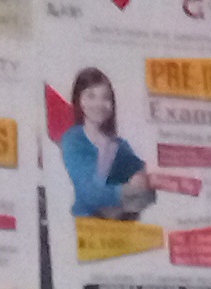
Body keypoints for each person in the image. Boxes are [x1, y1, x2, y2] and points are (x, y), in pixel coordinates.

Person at [57, 68, 158, 221]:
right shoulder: (73, 139)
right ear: (79, 100)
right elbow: (89, 193)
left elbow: (147, 187)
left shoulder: (119, 145)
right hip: (86, 224)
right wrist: (128, 192)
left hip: (122, 226)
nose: (99, 104)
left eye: (106, 98)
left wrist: (140, 177)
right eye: (91, 96)